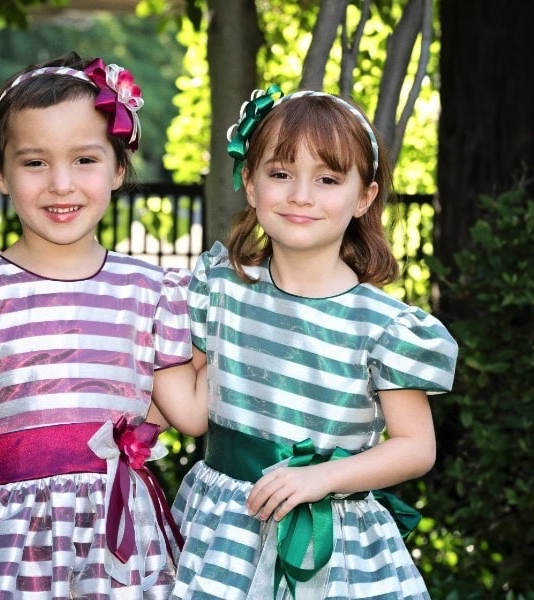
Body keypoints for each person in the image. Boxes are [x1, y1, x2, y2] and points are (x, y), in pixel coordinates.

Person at [0, 52, 205, 600]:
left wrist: (113, 438)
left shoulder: (153, 292)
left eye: (84, 160)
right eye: (34, 163)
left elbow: (176, 404)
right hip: (5, 540)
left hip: (118, 544)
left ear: (119, 167)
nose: (61, 184)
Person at [168, 86, 459, 599]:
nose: (301, 195)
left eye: (327, 179)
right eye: (280, 174)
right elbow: (192, 413)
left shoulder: (384, 325)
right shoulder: (222, 289)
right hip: (224, 533)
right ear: (251, 185)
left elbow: (416, 447)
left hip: (334, 544)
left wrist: (322, 478)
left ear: (364, 197)